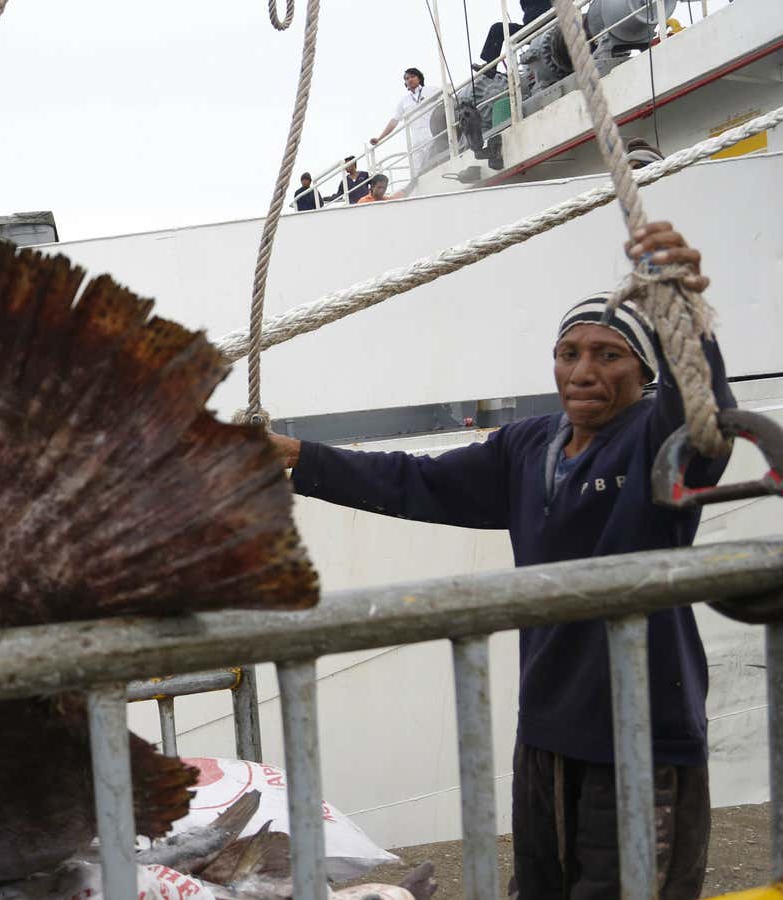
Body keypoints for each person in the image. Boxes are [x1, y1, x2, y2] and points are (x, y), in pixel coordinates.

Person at [265, 222, 730, 900]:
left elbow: (705, 417)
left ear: (644, 371)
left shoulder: (656, 441)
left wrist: (681, 312)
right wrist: (300, 458)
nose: (583, 371)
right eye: (569, 352)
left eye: (608, 355)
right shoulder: (527, 446)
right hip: (546, 733)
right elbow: (413, 481)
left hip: (645, 738)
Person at [371, 68, 437, 188]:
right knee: (417, 174)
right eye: (407, 78)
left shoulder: (431, 90)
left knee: (434, 167)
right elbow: (394, 121)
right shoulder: (404, 101)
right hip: (416, 142)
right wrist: (379, 138)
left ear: (419, 78)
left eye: (412, 76)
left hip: (433, 135)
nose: (409, 80)